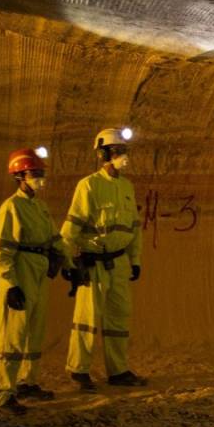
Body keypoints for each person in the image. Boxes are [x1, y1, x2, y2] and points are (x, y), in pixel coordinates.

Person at [61, 127, 146, 392]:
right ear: (104, 154)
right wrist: (67, 262)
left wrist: (135, 260)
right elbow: (71, 227)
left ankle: (118, 371)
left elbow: (133, 228)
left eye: (125, 152)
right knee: (87, 319)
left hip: (118, 263)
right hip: (93, 263)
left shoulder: (126, 187)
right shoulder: (89, 185)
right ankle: (79, 370)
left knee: (118, 318)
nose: (124, 157)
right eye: (119, 152)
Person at [0, 147, 67, 415]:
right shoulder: (11, 207)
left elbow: (55, 238)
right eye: (35, 173)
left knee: (34, 330)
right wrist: (11, 285)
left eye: (41, 173)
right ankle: (1, 393)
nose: (40, 178)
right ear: (20, 176)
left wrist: (66, 263)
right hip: (21, 270)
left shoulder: (39, 207)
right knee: (13, 333)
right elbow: (3, 250)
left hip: (39, 271)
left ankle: (26, 382)